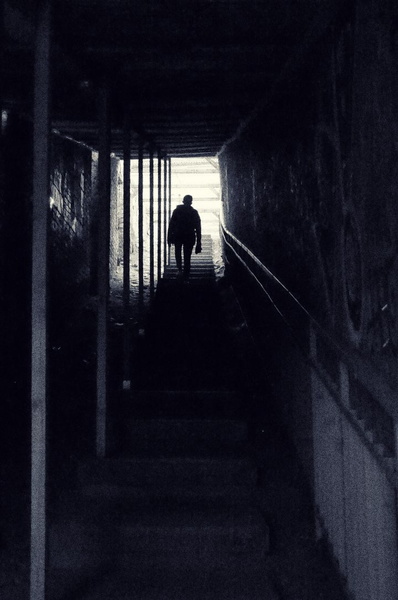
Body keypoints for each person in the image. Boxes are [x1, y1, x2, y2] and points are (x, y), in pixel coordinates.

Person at [167, 194, 202, 280]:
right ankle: (186, 274)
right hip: (189, 236)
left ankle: (180, 270)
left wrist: (169, 237)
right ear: (191, 202)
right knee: (187, 256)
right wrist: (198, 242)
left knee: (178, 253)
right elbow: (198, 228)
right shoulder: (194, 212)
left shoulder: (177, 211)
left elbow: (171, 225)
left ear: (183, 201)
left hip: (178, 235)